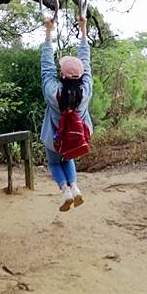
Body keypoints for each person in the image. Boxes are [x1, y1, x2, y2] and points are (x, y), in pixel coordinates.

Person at [40, 15, 93, 212]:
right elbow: (85, 62)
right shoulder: (85, 90)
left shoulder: (53, 92)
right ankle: (75, 187)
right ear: (81, 75)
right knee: (68, 158)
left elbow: (46, 67)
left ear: (61, 74)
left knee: (54, 163)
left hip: (55, 138)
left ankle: (65, 190)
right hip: (75, 137)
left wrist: (48, 32)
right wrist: (83, 28)